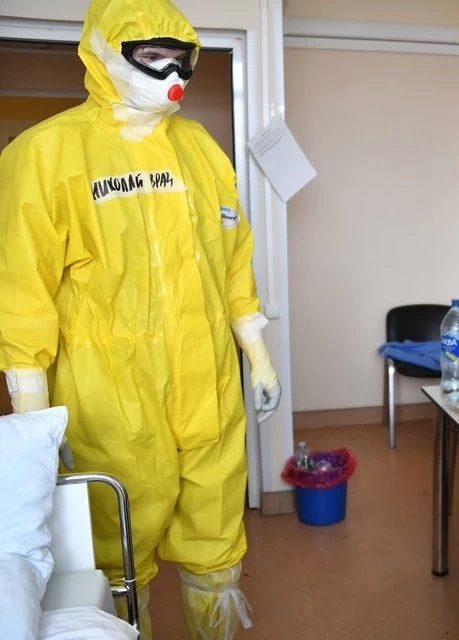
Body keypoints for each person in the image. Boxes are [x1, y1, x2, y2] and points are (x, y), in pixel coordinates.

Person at [0, 1, 281, 638]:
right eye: (151, 56)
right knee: (120, 555)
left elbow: (233, 260)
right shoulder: (47, 153)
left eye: (179, 59)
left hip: (209, 385)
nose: (170, 74)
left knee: (216, 537)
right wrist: (33, 421)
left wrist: (258, 356)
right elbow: (21, 295)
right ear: (104, 51)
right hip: (110, 397)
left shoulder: (200, 149)